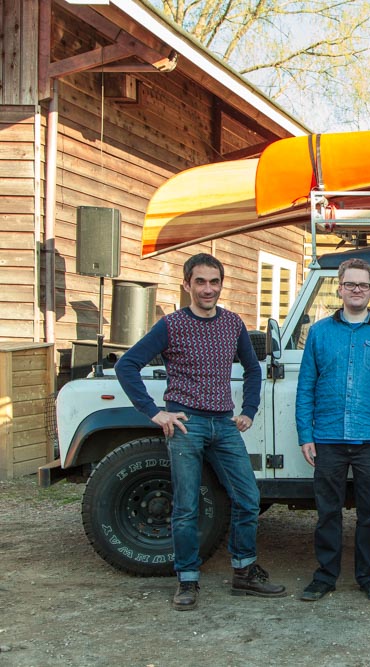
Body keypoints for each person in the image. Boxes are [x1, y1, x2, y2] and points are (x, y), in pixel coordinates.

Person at [115, 253, 285, 611]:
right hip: (186, 423)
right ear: (187, 284)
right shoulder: (171, 325)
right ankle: (187, 580)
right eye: (200, 282)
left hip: (224, 423)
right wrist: (155, 412)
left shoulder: (233, 324)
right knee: (187, 505)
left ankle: (243, 571)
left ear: (221, 284)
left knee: (248, 497)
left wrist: (249, 411)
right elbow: (127, 365)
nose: (208, 289)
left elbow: (253, 370)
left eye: (214, 282)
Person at [296, 258, 370, 603]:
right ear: (340, 287)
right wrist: (306, 434)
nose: (357, 290)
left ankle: (367, 576)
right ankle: (325, 576)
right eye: (350, 284)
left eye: (363, 285)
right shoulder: (319, 333)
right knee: (327, 512)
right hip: (329, 438)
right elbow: (306, 387)